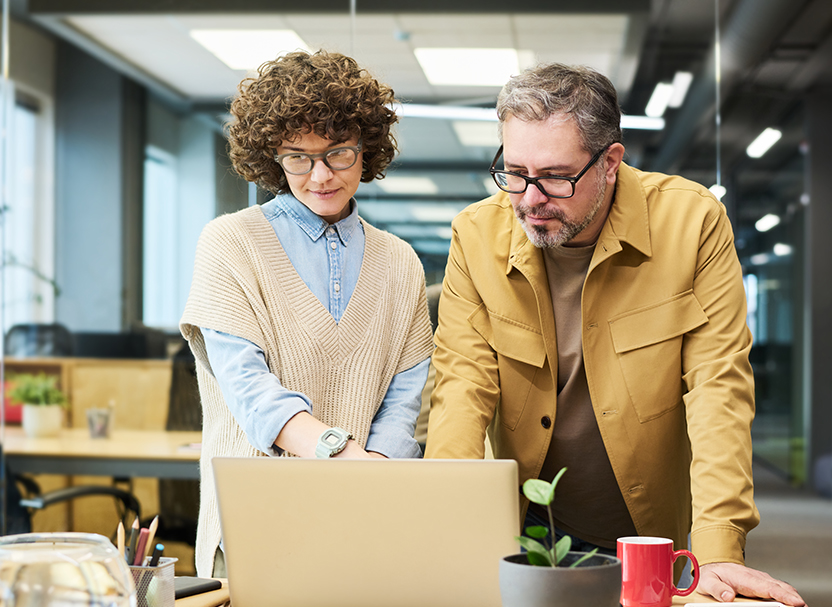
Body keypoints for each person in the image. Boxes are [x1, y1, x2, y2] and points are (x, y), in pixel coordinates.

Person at [425, 63, 805, 606]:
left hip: (644, 530)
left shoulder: (691, 221)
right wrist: (447, 524)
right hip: (526, 521)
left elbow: (717, 385)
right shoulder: (476, 233)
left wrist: (720, 545)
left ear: (609, 163)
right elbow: (463, 384)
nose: (530, 198)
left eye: (556, 176)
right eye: (514, 172)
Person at [180, 50, 434, 577]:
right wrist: (343, 459)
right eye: (298, 156)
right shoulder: (231, 243)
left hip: (367, 521)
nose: (320, 175)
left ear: (366, 149)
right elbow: (250, 392)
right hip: (256, 521)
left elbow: (406, 400)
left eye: (338, 153)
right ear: (273, 155)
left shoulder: (400, 261)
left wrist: (375, 476)